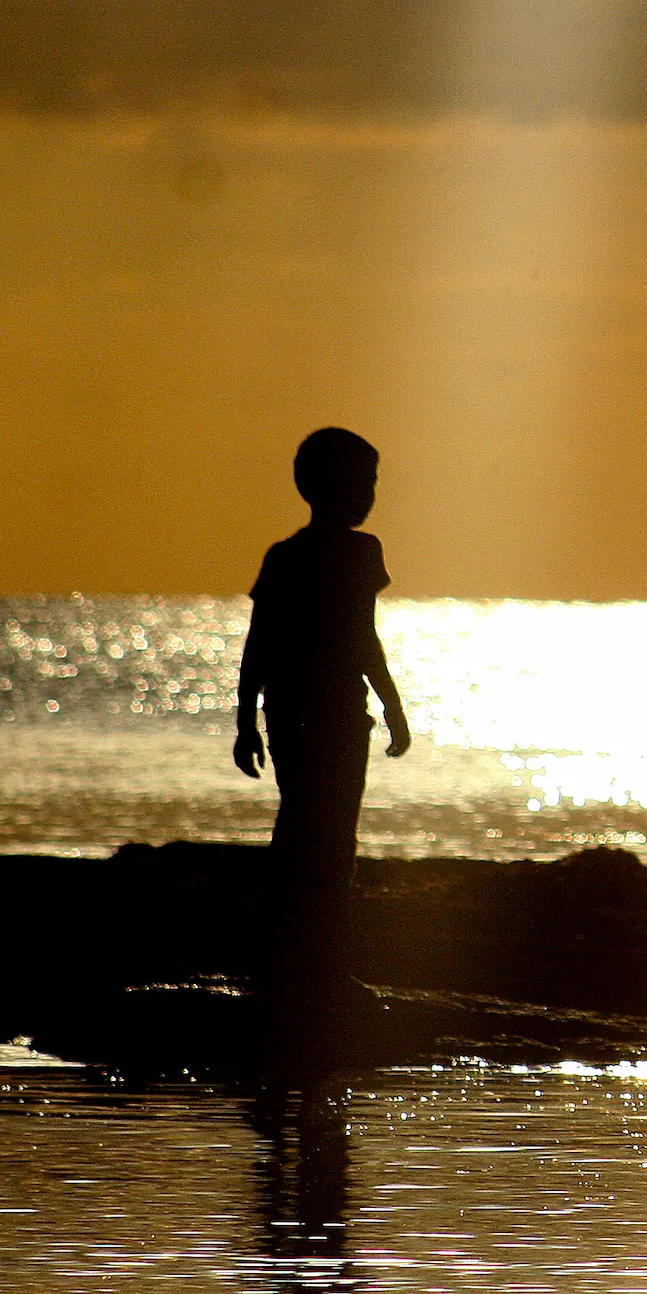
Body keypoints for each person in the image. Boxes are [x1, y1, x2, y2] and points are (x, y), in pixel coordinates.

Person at [234, 427, 413, 1064]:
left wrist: (389, 705)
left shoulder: (345, 553)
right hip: (305, 712)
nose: (364, 495)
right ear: (319, 486)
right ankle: (305, 966)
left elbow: (357, 638)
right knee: (317, 833)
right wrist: (243, 717)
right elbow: (265, 639)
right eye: (355, 482)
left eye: (369, 483)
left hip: (333, 712)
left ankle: (313, 965)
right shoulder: (305, 556)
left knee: (324, 835)